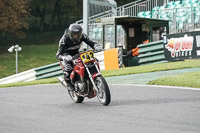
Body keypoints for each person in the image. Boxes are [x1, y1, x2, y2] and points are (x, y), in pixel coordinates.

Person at [56, 24, 101, 91]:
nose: (76, 36)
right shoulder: (64, 39)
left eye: (77, 34)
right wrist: (63, 57)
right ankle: (69, 83)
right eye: (74, 34)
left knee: (93, 61)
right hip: (66, 55)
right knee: (68, 69)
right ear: (70, 33)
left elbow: (91, 43)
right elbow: (58, 54)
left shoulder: (82, 35)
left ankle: (91, 78)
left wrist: (96, 46)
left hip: (76, 53)